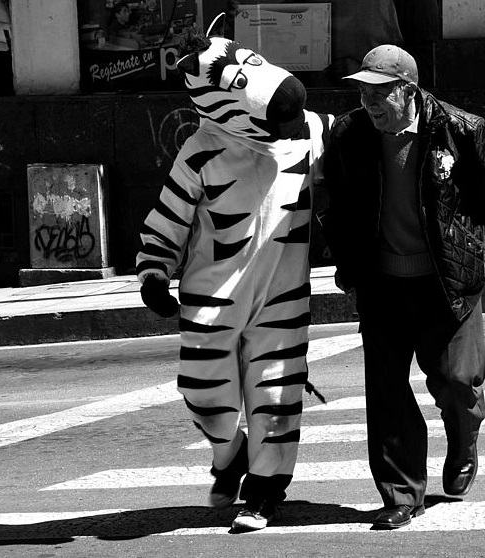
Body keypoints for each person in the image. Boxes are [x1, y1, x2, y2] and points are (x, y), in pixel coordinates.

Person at [135, 26, 332, 532]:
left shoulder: (310, 131)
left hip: (280, 297)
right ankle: (230, 454)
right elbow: (168, 217)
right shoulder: (200, 151)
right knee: (203, 393)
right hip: (211, 299)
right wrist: (154, 269)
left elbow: (363, 145)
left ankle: (265, 492)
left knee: (277, 393)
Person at [320, 45, 485, 530]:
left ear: (408, 89)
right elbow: (339, 204)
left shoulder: (462, 129)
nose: (370, 104)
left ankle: (464, 436)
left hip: (446, 281)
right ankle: (401, 494)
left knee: (454, 381)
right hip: (382, 282)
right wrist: (346, 262)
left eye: (379, 93)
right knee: (386, 392)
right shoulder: (349, 135)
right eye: (363, 94)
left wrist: (465, 250)